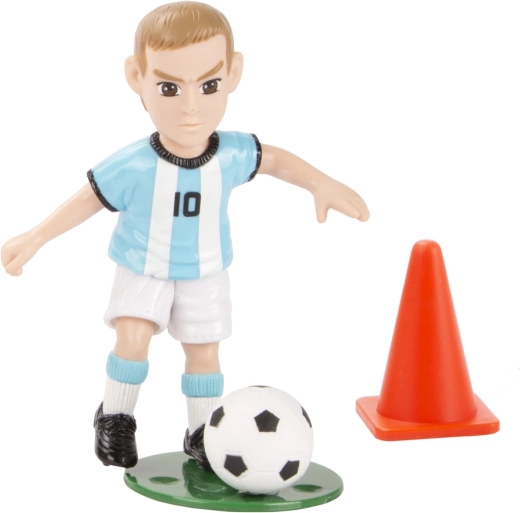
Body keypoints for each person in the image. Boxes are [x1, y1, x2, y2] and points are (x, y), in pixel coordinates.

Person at [1, 2, 369, 470]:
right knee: (133, 338)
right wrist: (36, 237)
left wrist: (320, 183)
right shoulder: (135, 163)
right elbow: (90, 198)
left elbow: (274, 159)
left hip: (206, 269)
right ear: (137, 78)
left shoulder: (231, 153)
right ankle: (115, 417)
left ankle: (202, 432)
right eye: (169, 88)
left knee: (204, 352)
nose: (191, 106)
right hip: (143, 264)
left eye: (209, 85)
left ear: (234, 74)